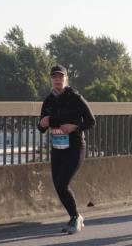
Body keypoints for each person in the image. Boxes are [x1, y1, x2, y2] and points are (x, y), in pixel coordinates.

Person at [37, 65, 96, 234]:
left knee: (63, 182)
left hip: (75, 147)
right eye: (54, 77)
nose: (57, 79)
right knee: (58, 185)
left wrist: (74, 127)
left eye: (60, 77)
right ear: (51, 80)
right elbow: (41, 126)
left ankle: (76, 217)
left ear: (66, 79)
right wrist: (41, 124)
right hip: (57, 148)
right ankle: (74, 216)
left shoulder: (75, 98)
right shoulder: (48, 100)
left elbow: (91, 121)